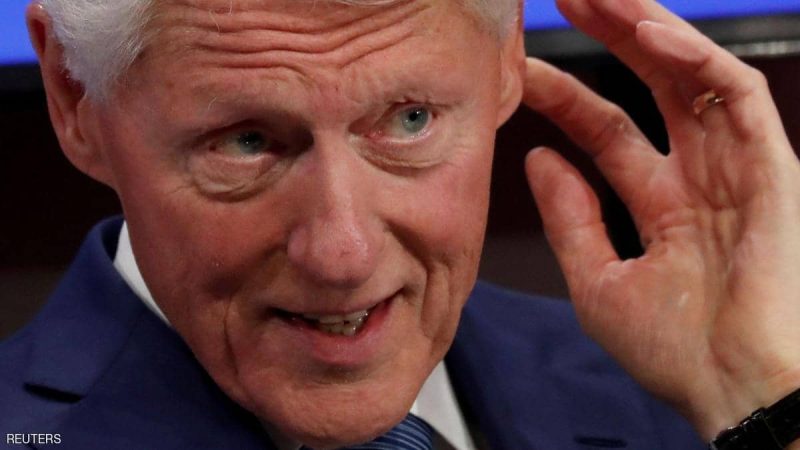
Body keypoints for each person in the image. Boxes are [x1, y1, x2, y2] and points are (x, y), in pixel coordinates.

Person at [2, 0, 799, 448]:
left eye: (410, 118)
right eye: (246, 142)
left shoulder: (678, 398)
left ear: (507, 60)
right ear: (75, 98)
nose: (343, 254)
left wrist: (758, 395)